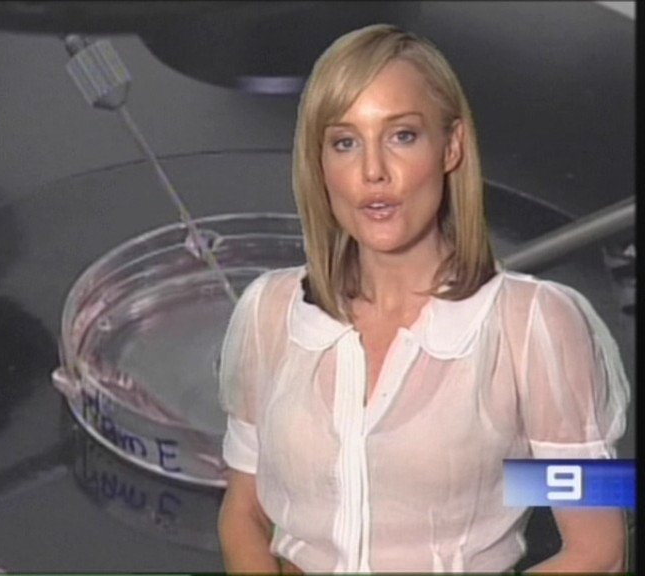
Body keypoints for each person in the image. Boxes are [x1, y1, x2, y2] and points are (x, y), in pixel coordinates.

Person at [217, 23, 630, 573]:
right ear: (319, 162)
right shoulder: (268, 313)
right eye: (345, 142)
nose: (373, 172)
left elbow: (598, 550)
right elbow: (244, 510)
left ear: (451, 147)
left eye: (402, 136)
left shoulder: (536, 326)